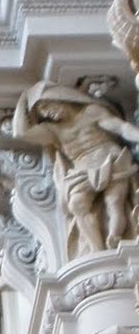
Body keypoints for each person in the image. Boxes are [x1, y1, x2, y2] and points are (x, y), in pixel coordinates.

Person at [13, 82, 139, 255]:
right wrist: (23, 101)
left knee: (115, 203)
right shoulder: (53, 130)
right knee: (77, 205)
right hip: (82, 170)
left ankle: (115, 236)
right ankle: (97, 250)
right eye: (43, 112)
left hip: (110, 159)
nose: (47, 112)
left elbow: (120, 127)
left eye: (47, 105)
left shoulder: (91, 112)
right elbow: (22, 133)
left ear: (59, 97)